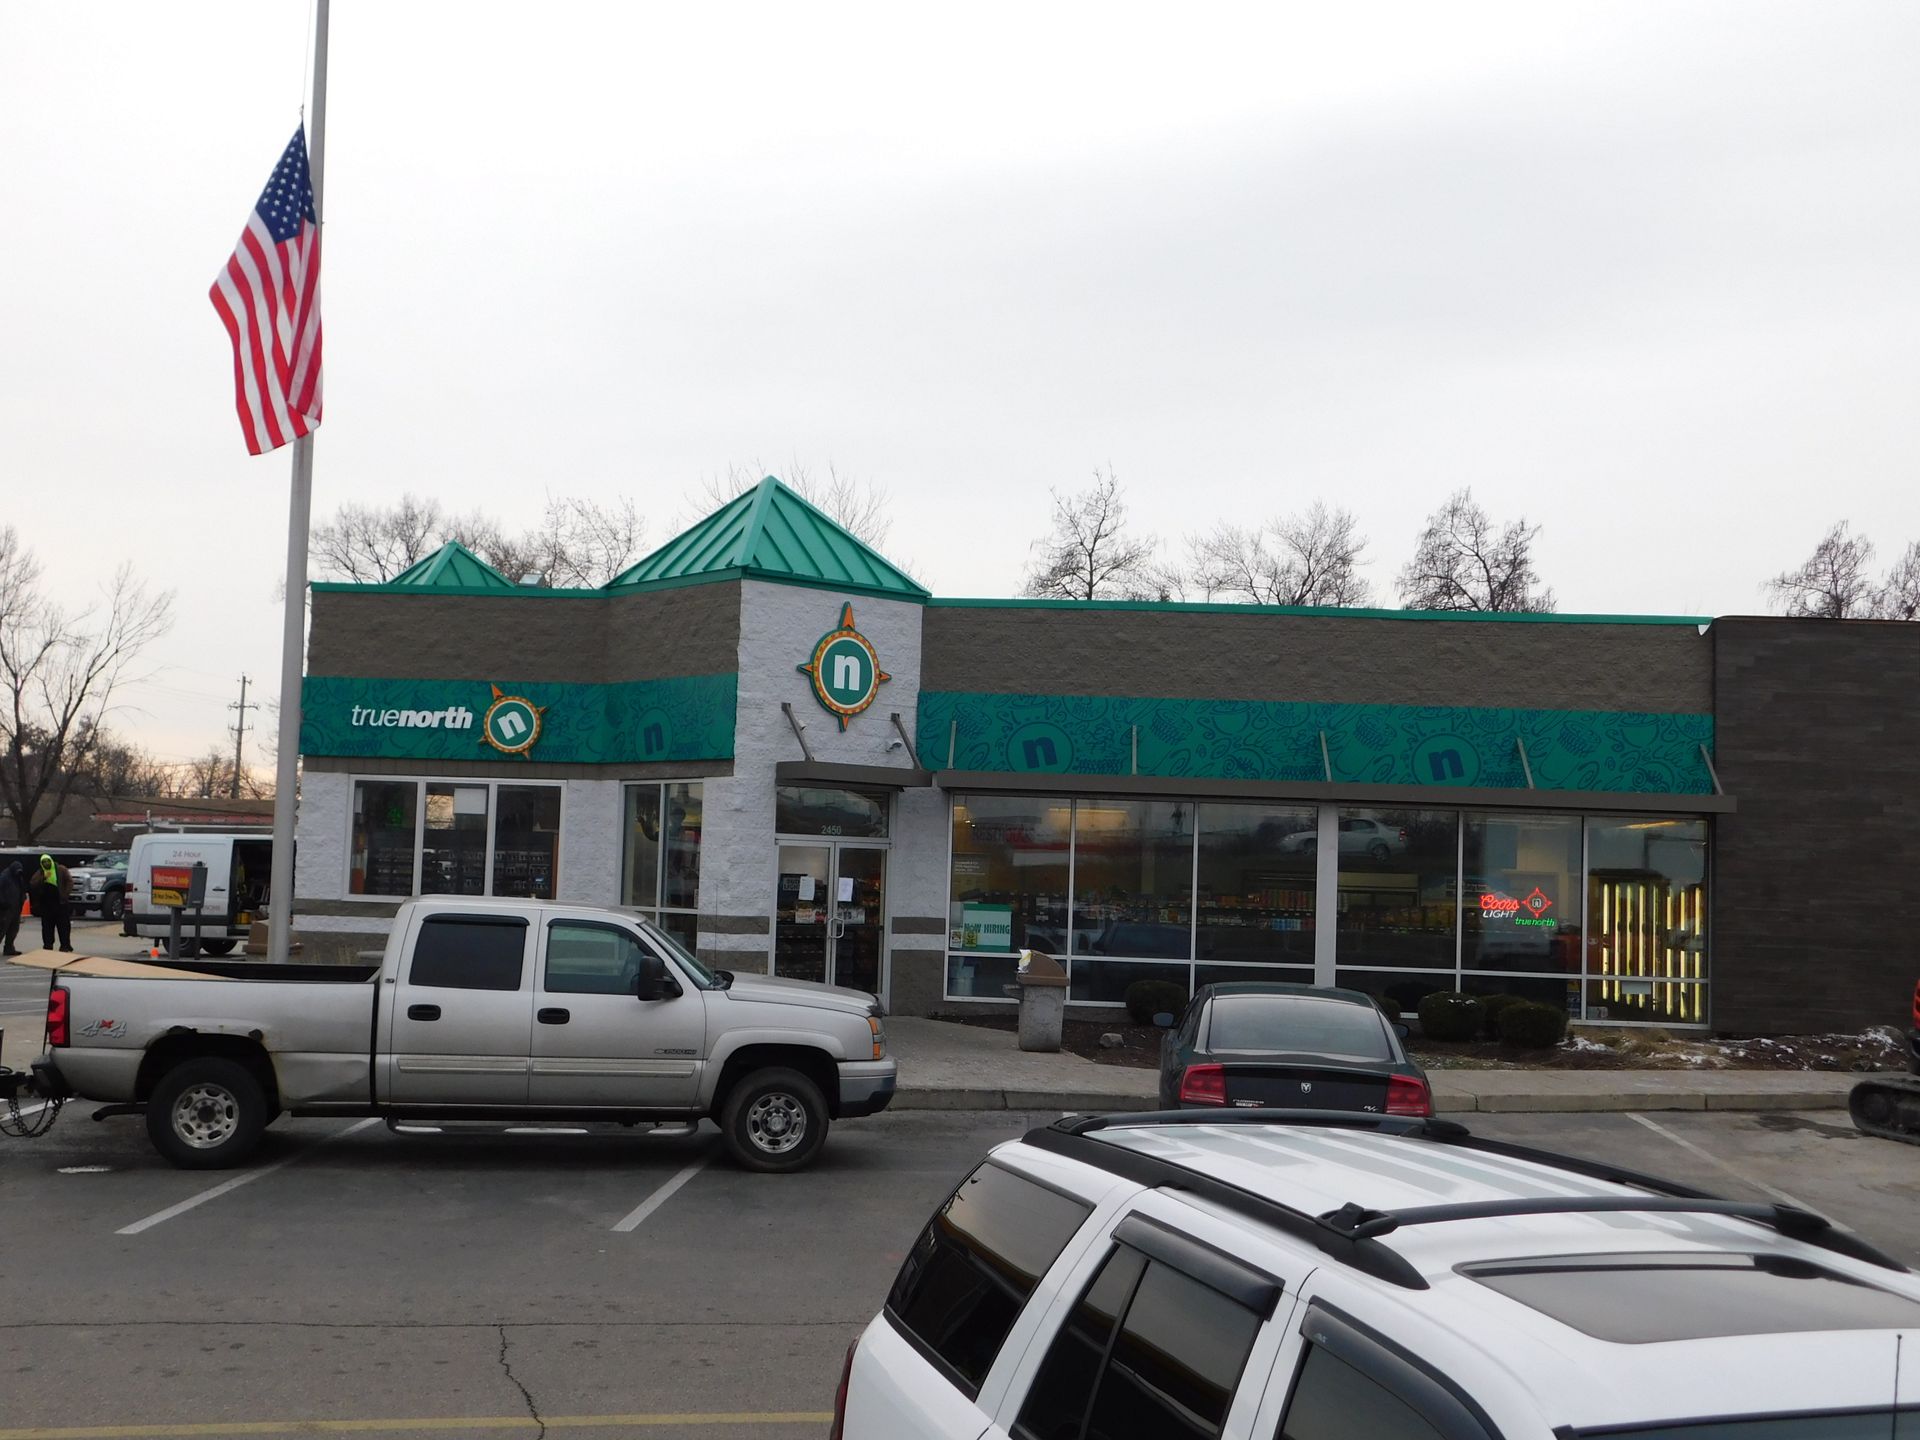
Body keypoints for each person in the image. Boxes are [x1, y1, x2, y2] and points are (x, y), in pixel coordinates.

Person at [28, 853, 72, 953]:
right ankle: (48, 945)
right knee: (47, 927)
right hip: (46, 905)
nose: (46, 863)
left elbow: (69, 881)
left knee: (64, 926)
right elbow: (32, 884)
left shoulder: (61, 869)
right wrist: (43, 878)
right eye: (44, 862)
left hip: (60, 903)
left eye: (48, 861)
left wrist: (65, 894)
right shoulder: (40, 872)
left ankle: (65, 945)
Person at [0, 859, 25, 956]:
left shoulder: (19, 877)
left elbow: (22, 889)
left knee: (13, 929)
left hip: (16, 908)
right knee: (2, 929)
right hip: (6, 909)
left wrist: (22, 899)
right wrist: (2, 902)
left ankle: (9, 947)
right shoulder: (4, 876)